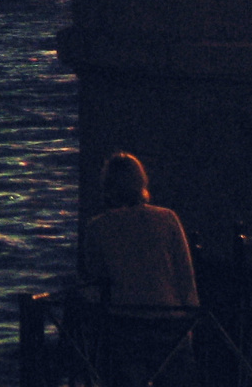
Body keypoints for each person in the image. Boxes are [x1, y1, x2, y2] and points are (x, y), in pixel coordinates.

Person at [80, 152, 199, 387]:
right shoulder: (167, 219)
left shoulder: (98, 227)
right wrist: (190, 325)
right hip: (168, 321)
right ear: (141, 182)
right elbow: (185, 276)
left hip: (126, 325)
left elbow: (95, 284)